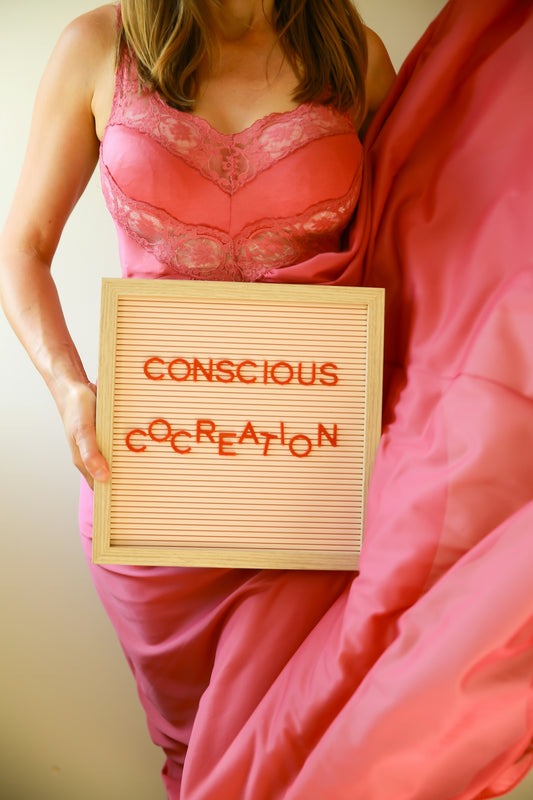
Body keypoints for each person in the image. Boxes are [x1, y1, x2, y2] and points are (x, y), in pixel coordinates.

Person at [0, 1, 395, 797]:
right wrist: (72, 390)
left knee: (299, 751)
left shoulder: (355, 54)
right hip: (148, 488)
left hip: (311, 486)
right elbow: (22, 250)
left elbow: (417, 240)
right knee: (195, 758)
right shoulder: (98, 46)